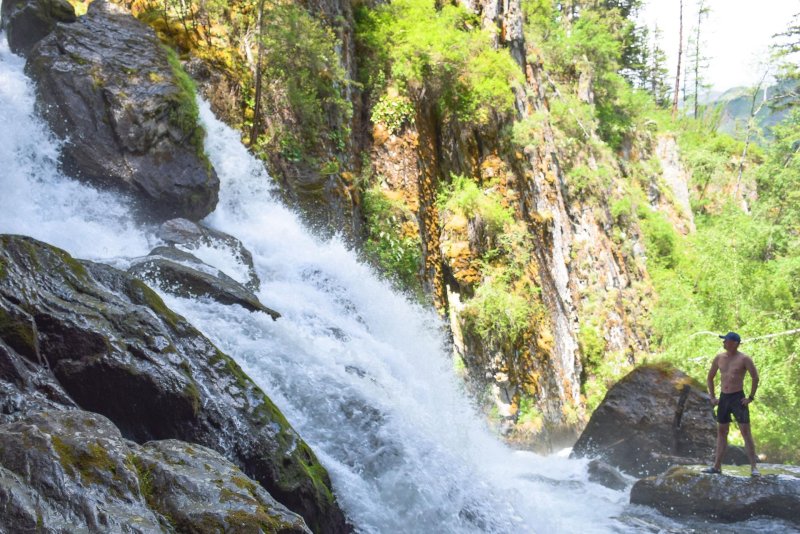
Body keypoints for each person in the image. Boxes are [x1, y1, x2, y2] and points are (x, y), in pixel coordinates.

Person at [703, 331, 760, 476]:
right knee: (722, 432)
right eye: (723, 340)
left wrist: (750, 397)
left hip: (738, 398)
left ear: (734, 343)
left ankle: (754, 467)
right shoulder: (719, 358)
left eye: (726, 340)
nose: (723, 343)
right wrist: (712, 397)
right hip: (724, 398)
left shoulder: (744, 358)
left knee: (745, 432)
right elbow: (710, 377)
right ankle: (716, 467)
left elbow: (755, 377)